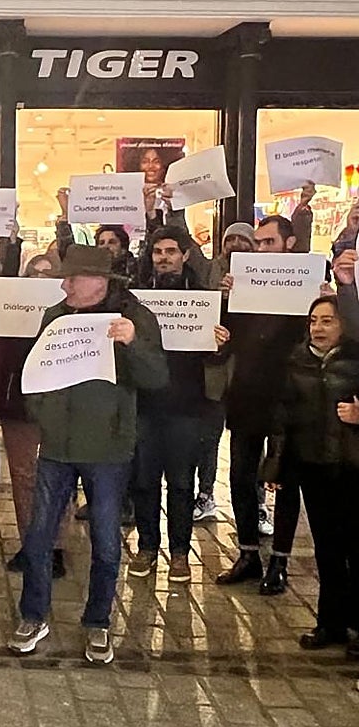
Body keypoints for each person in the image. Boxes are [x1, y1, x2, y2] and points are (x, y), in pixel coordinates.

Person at [8, 245, 167, 664]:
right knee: (39, 536)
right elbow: (38, 372)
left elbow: (156, 378)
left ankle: (98, 621)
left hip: (108, 451)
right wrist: (42, 415)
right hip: (57, 447)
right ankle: (33, 615)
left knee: (106, 541)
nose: (64, 286)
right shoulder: (55, 317)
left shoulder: (135, 318)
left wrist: (132, 344)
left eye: (72, 278)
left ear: (99, 282)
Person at [128, 227, 229, 583]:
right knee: (144, 481)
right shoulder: (136, 299)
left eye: (171, 251)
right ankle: (147, 547)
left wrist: (219, 345)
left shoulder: (203, 299)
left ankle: (181, 553)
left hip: (187, 405)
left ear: (185, 255)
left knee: (182, 483)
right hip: (144, 403)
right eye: (158, 252)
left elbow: (217, 358)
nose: (164, 258)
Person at [261, 296, 359, 659]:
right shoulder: (296, 361)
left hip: (351, 467)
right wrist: (276, 467)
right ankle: (330, 622)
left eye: (327, 321)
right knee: (327, 548)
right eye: (314, 321)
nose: (318, 328)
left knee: (355, 548)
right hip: (313, 466)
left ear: (344, 324)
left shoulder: (355, 360)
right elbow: (282, 420)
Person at [216, 215, 307, 587]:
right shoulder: (245, 283)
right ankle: (248, 554)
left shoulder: (305, 283)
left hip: (288, 399)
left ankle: (279, 562)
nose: (261, 248)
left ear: (289, 243)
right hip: (247, 394)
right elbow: (226, 340)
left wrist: (320, 296)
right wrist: (225, 303)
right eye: (258, 243)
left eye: (269, 241)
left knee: (284, 480)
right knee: (240, 476)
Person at [0, 253, 71, 579]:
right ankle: (31, 543)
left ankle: (55, 547)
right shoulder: (12, 307)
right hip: (18, 402)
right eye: (34, 273)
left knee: (57, 475)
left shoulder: (70, 312)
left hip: (59, 404)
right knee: (23, 476)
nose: (40, 279)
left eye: (48, 274)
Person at [193, 221, 256, 523]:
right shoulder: (209, 272)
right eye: (230, 239)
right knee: (209, 437)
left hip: (248, 372)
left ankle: (257, 502)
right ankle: (205, 494)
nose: (235, 245)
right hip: (217, 371)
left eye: (243, 240)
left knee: (251, 444)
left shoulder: (264, 278)